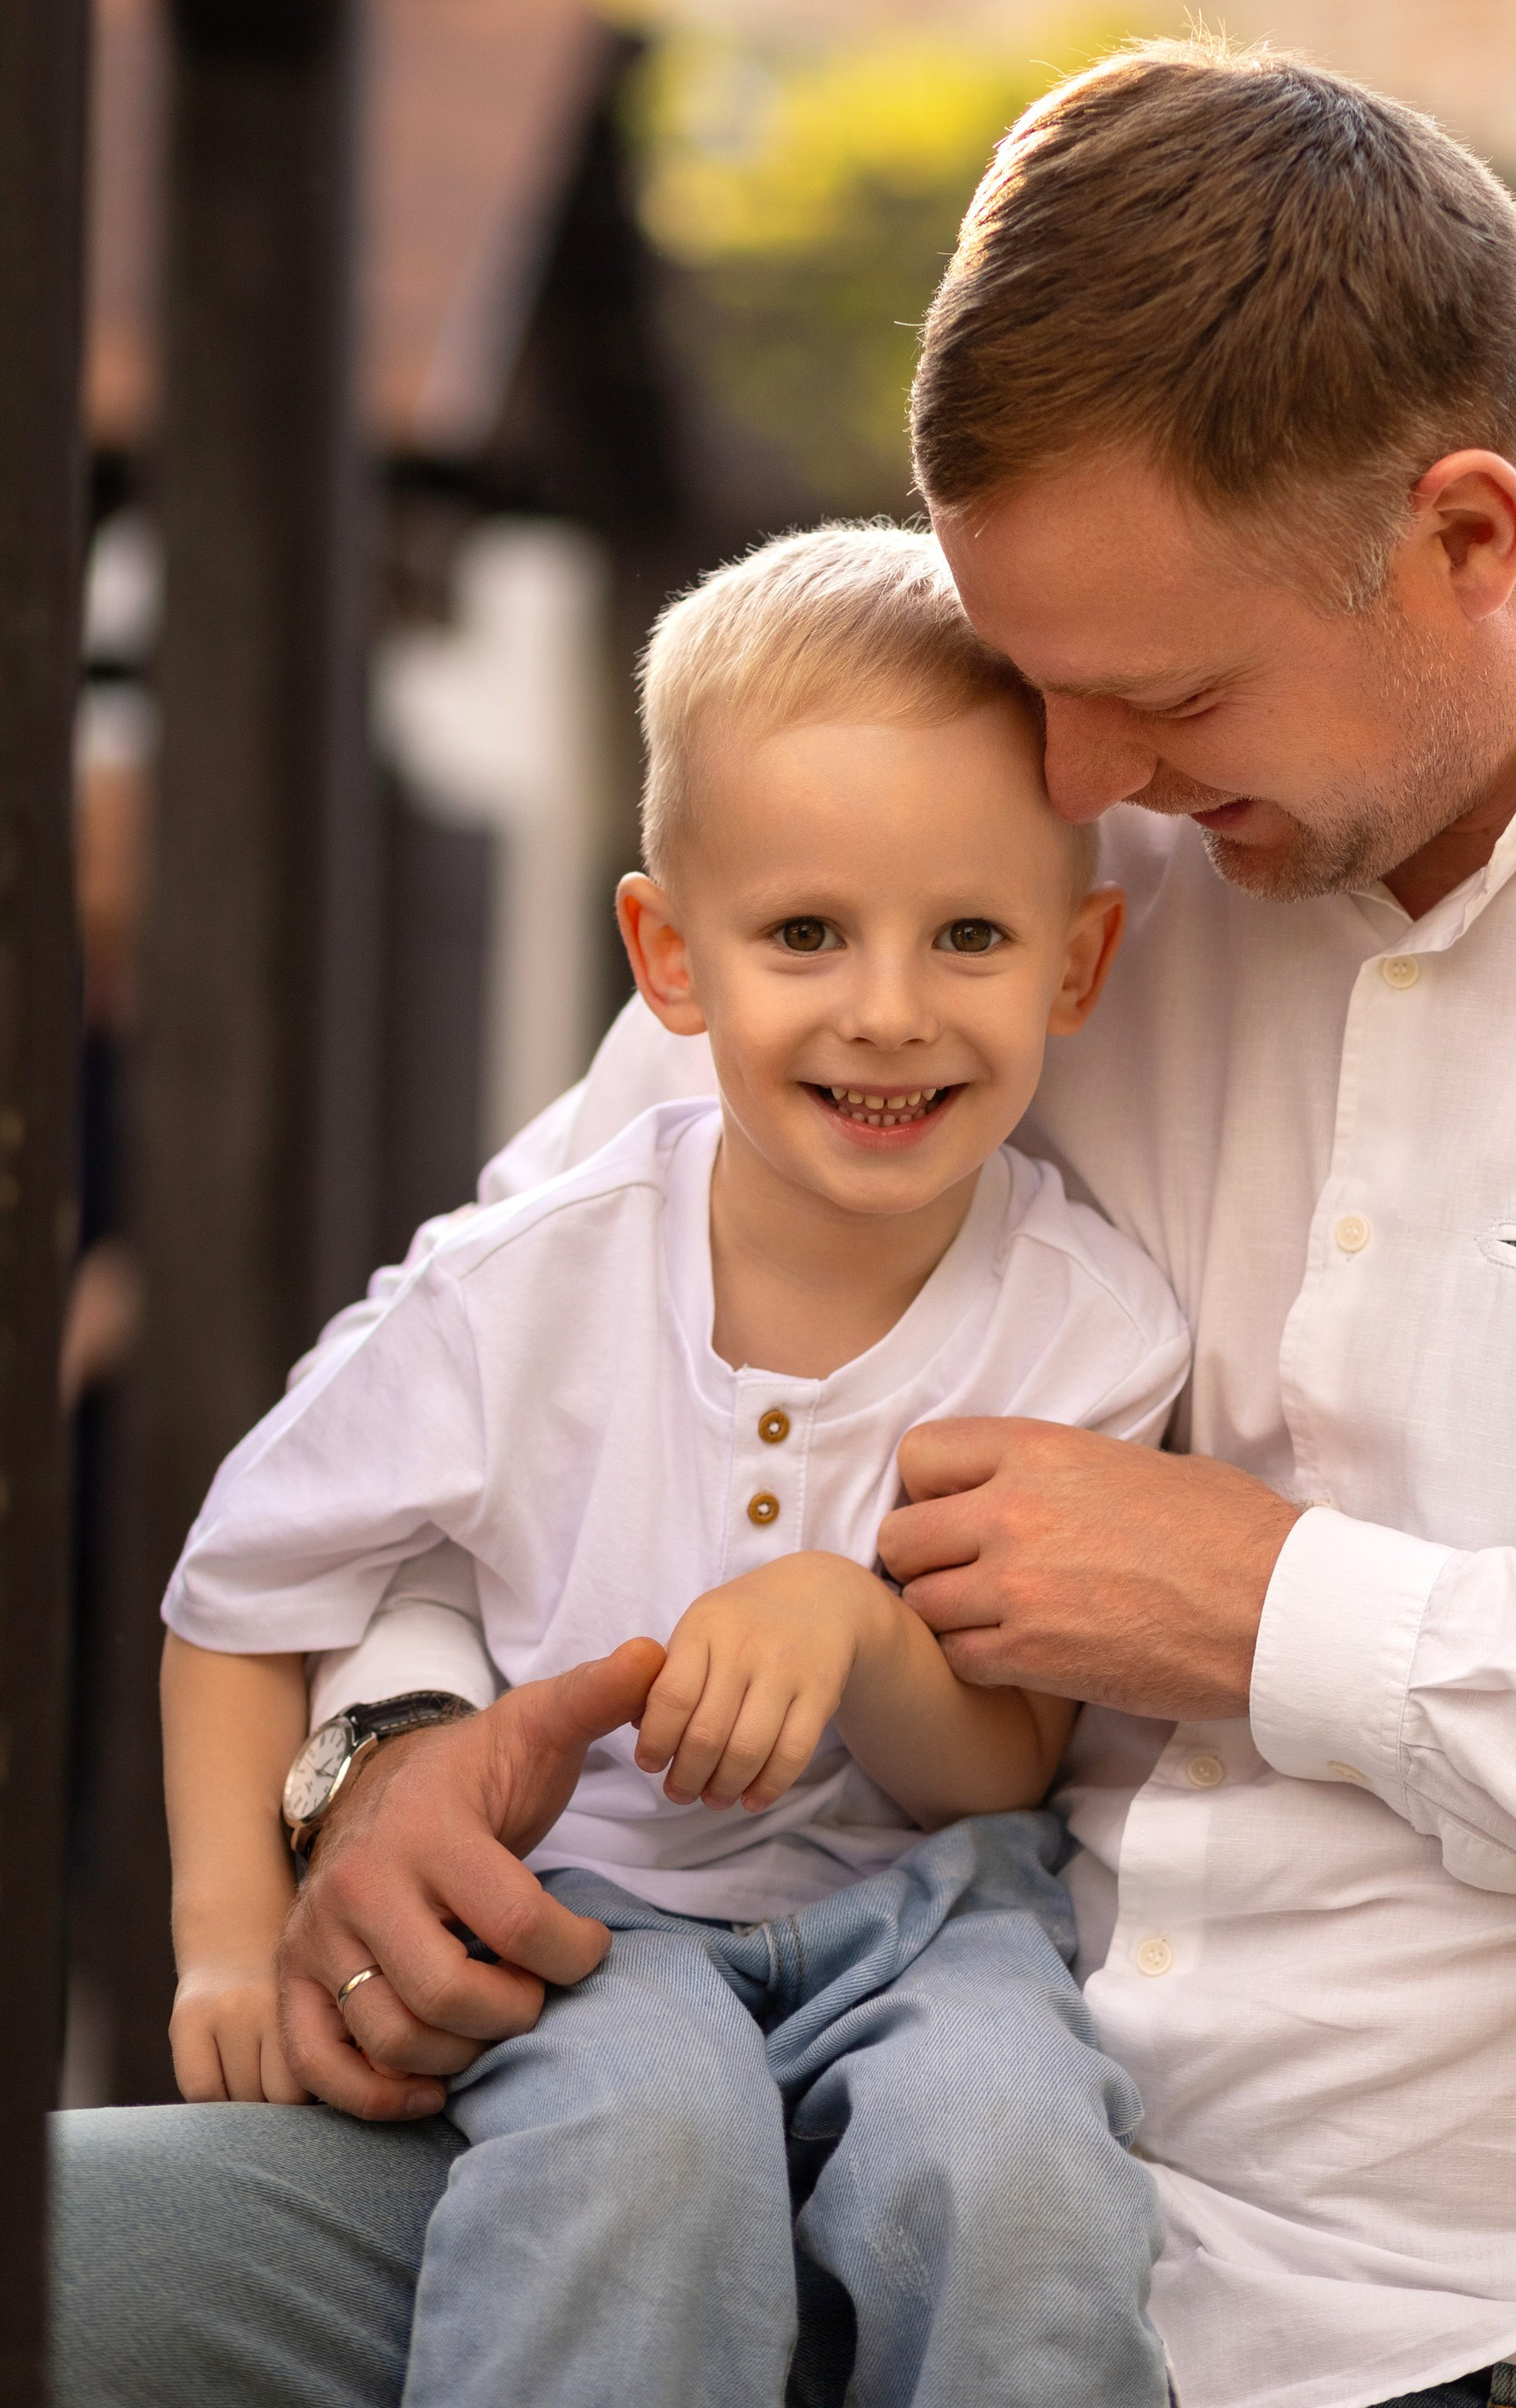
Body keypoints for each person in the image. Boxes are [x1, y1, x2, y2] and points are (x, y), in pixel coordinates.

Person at [56, 42, 1516, 2408]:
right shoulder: (1004, 789)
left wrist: (1283, 1613)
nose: (1084, 797)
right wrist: (380, 1758)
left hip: (1499, 2318)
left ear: (1472, 539)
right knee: (61, 2268)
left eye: (1165, 699)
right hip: (748, 2148)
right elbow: (529, 1321)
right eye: (1037, 682)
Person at [148, 526, 1183, 2408]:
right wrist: (227, 1938)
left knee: (1020, 2169)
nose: (888, 1008)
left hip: (929, 1916)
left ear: (1077, 960)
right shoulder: (519, 1290)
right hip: (583, 1901)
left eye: (968, 934)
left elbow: (1005, 1761)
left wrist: (862, 1638)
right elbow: (238, 1597)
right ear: (666, 958)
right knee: (641, 2149)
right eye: (806, 933)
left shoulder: (1088, 1329)